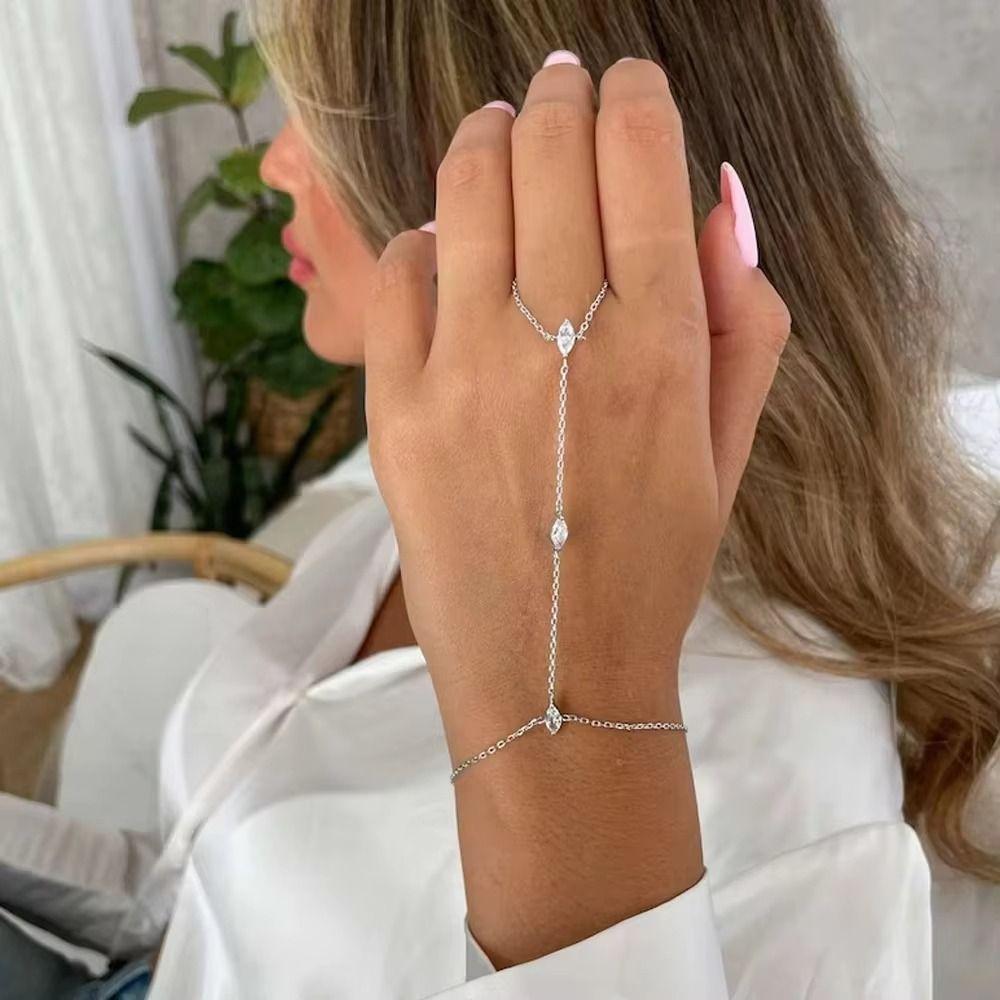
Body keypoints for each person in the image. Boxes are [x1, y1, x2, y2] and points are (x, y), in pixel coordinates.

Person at [2, 1, 999, 997]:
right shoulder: (429, 492)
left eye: (327, 114)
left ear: (552, 193)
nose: (275, 165)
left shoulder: (793, 792)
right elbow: (181, 895)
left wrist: (573, 740)